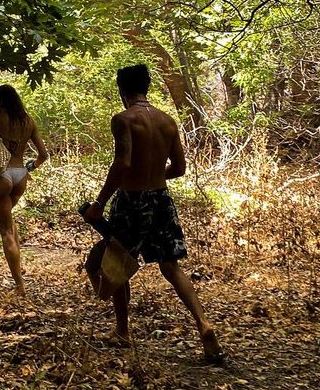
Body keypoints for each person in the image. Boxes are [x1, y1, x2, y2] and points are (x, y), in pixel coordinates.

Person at [83, 64, 223, 361]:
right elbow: (180, 168)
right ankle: (203, 324)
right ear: (147, 87)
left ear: (121, 89)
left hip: (131, 202)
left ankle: (122, 330)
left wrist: (100, 203)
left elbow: (122, 163)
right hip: (161, 199)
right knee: (171, 266)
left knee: (117, 264)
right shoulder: (168, 121)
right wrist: (153, 175)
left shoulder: (123, 119)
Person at [0, 85, 49, 295]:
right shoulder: (28, 120)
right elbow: (43, 154)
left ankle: (19, 285)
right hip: (20, 174)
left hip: (1, 175)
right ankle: (18, 275)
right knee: (9, 222)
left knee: (6, 231)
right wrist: (30, 167)